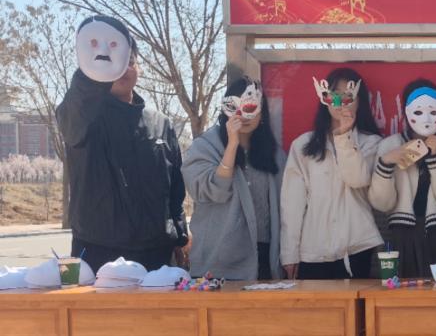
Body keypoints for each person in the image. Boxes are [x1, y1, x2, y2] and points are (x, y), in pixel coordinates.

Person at [57, 15, 188, 271]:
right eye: (117, 62)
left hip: (156, 253)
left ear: (139, 68)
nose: (123, 70)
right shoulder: (84, 118)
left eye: (130, 62)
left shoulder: (161, 123)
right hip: (97, 251)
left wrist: (180, 236)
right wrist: (94, 70)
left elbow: (175, 190)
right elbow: (75, 109)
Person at [280, 67, 384, 279]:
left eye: (348, 96)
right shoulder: (302, 146)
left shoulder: (371, 143)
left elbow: (357, 179)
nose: (340, 102)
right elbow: (292, 204)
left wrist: (344, 136)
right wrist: (289, 253)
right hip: (312, 252)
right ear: (324, 99)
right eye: (334, 95)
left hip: (356, 248)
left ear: (359, 101)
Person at [369, 79, 436, 278]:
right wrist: (386, 164)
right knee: (405, 297)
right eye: (418, 111)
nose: (426, 117)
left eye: (433, 111)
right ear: (406, 112)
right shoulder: (390, 146)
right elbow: (382, 204)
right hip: (404, 239)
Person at [183, 77, 284, 280]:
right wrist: (231, 146)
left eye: (250, 107)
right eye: (234, 107)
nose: (242, 115)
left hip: (265, 256)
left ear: (262, 112)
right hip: (219, 261)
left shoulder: (274, 154)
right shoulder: (205, 147)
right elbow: (213, 192)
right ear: (224, 108)